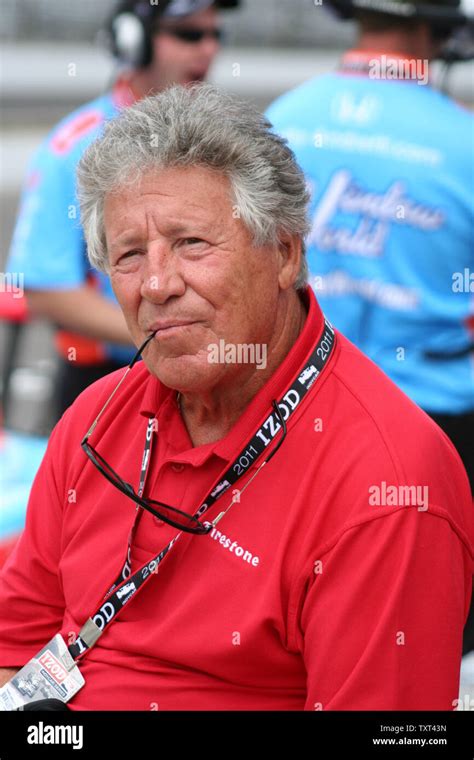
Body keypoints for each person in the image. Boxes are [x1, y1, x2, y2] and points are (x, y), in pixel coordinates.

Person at [0, 85, 472, 711]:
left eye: (192, 243)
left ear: (283, 253)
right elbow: (16, 642)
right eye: (129, 255)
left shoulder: (387, 486)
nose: (158, 284)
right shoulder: (95, 416)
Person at [265, 0, 474, 658]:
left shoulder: (283, 118)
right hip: (438, 423)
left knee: (294, 610)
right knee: (430, 638)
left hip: (293, 408)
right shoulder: (463, 140)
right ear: (435, 30)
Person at [5, 0, 239, 419]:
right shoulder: (72, 148)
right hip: (106, 381)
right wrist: (173, 334)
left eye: (215, 35)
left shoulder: (222, 140)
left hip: (208, 378)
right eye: (188, 34)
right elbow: (44, 289)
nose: (207, 49)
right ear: (134, 42)